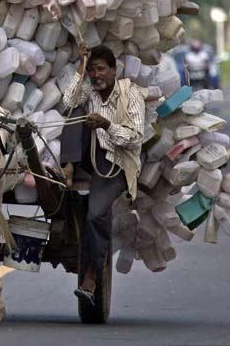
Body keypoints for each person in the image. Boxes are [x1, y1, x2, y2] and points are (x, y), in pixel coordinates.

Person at [62, 44, 145, 305]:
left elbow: (134, 138)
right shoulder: (92, 90)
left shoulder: (130, 95)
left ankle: (92, 275)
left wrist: (107, 125)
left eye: (101, 70)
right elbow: (69, 101)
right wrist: (82, 66)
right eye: (93, 71)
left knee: (95, 214)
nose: (96, 76)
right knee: (75, 112)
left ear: (113, 70)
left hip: (115, 163)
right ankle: (68, 167)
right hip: (89, 157)